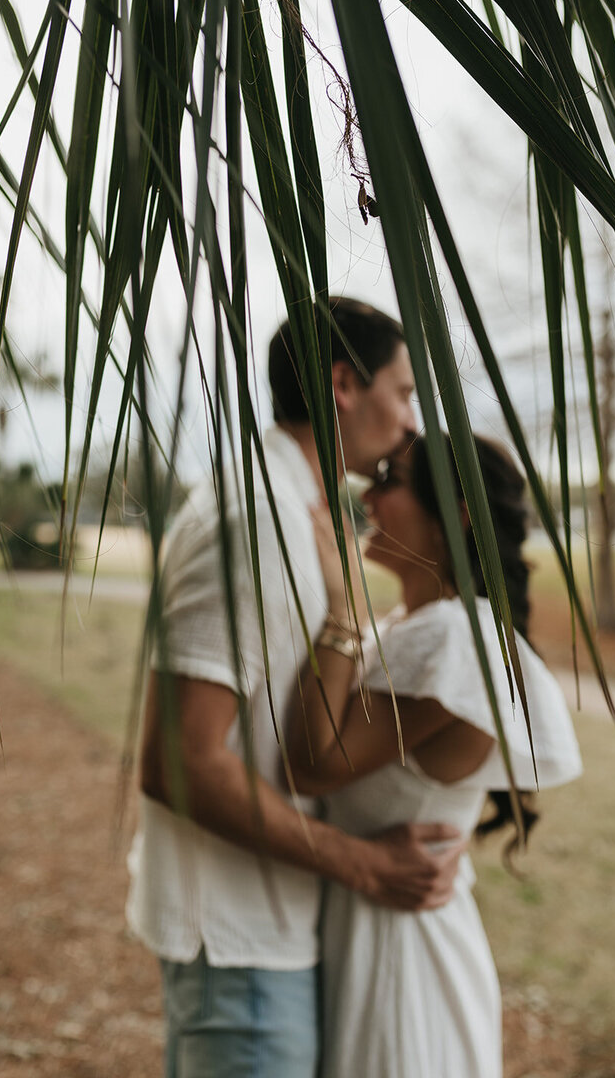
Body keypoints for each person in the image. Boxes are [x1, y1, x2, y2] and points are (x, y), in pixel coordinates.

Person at [126, 299, 465, 1078]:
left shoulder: (292, 509)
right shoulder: (259, 520)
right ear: (345, 384)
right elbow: (181, 759)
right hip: (241, 942)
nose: (412, 422)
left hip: (262, 929)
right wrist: (364, 863)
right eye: (405, 392)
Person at [285, 432, 583, 1078]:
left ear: (458, 511)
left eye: (390, 478)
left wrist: (342, 606)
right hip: (366, 927)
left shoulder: (459, 640)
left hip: (401, 955)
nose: (367, 492)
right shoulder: (405, 629)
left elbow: (313, 763)